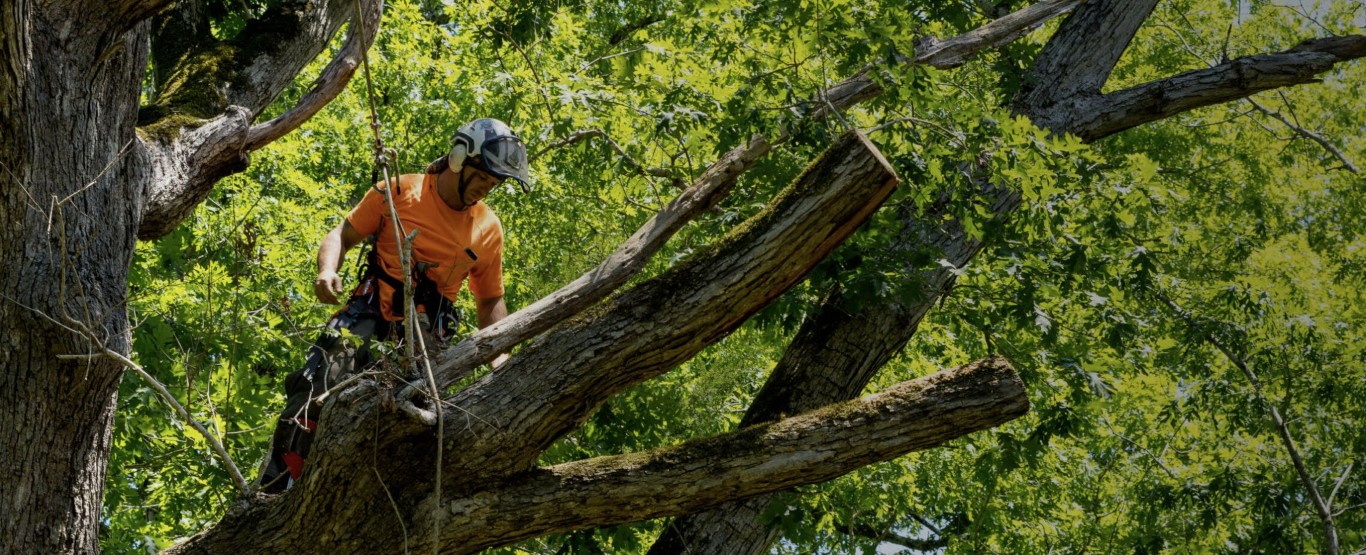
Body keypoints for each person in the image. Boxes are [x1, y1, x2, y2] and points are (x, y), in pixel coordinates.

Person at [258, 118, 531, 493]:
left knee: (405, 426)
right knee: (315, 390)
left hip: (426, 336)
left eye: (495, 182)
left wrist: (500, 358)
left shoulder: (487, 229)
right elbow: (342, 234)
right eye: (484, 176)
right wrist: (326, 271)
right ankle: (275, 490)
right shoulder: (400, 190)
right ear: (457, 158)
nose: (488, 187)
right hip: (369, 312)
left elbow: (490, 301)